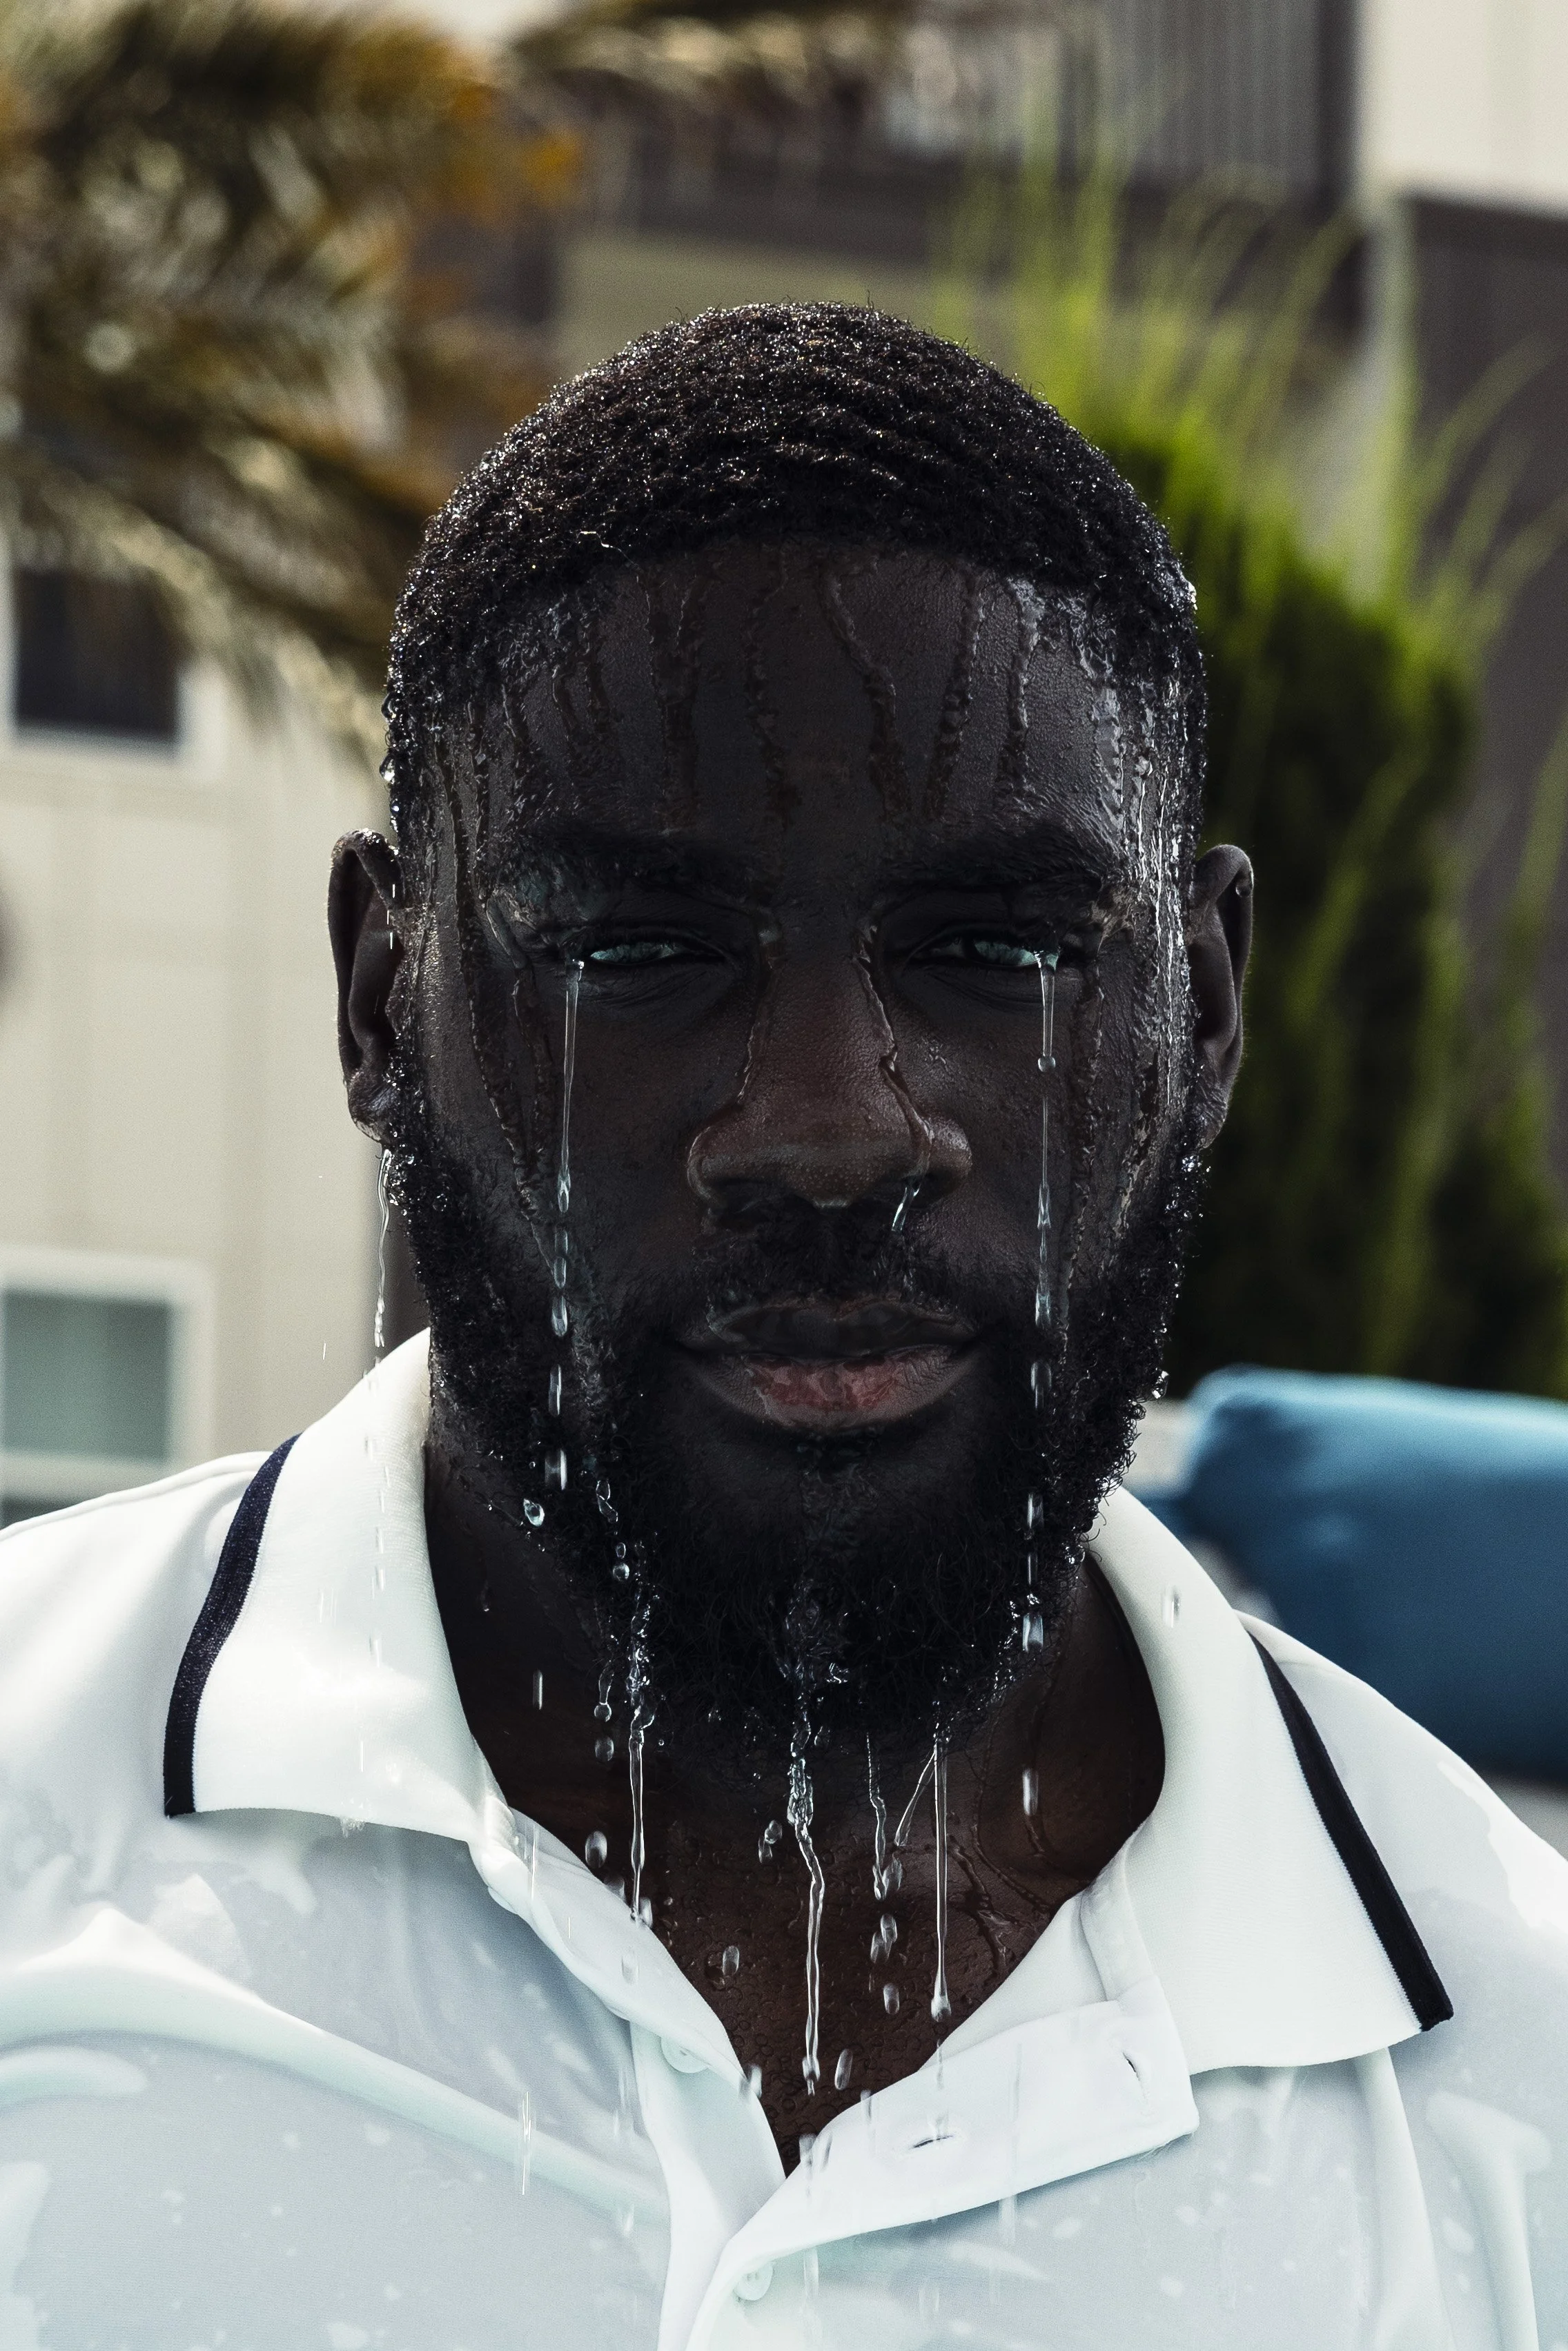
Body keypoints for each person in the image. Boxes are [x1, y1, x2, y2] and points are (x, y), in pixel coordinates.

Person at [0, 304, 1562, 2349]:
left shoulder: (1518, 2097)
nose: (831, 1125)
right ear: (387, 996)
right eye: (636, 948)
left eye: (999, 948)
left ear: (1203, 1010)